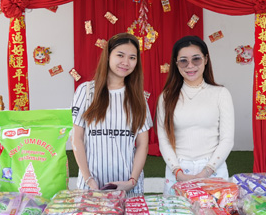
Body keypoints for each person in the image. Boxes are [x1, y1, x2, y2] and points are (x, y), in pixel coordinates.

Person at [71, 33, 152, 195]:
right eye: (120, 55)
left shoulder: (139, 98)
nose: (126, 62)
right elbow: (77, 138)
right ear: (108, 56)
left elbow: (142, 144)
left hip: (128, 188)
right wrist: (88, 179)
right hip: (91, 186)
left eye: (132, 58)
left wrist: (132, 181)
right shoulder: (86, 91)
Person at [157, 35, 234, 194]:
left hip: (213, 168)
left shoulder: (221, 93)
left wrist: (206, 171)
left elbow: (227, 139)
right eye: (183, 61)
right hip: (177, 170)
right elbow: (164, 139)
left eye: (196, 59)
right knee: (178, 211)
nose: (190, 65)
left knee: (215, 210)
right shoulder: (166, 97)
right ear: (176, 63)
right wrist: (178, 172)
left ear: (206, 59)